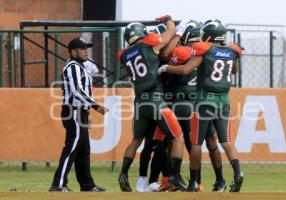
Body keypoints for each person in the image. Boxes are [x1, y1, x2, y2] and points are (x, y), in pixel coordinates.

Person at [158, 19, 244, 192]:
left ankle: (194, 182)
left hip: (205, 100)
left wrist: (166, 68)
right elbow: (234, 71)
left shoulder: (203, 50)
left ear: (209, 35)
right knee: (225, 140)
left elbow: (184, 70)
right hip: (224, 100)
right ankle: (238, 174)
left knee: (196, 142)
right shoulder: (232, 50)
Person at [117, 15, 187, 192]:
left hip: (139, 102)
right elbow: (169, 33)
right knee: (177, 137)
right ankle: (175, 176)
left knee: (136, 140)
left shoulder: (125, 55)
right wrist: (170, 21)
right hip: (156, 100)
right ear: (142, 33)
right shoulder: (149, 44)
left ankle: (123, 174)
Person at [49, 37, 109, 192]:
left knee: (83, 149)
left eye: (86, 48)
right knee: (72, 146)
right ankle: (58, 184)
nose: (86, 51)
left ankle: (87, 185)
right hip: (72, 111)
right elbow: (76, 91)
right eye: (83, 49)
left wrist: (86, 112)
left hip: (79, 111)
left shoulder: (79, 67)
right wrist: (95, 106)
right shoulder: (72, 67)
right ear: (73, 51)